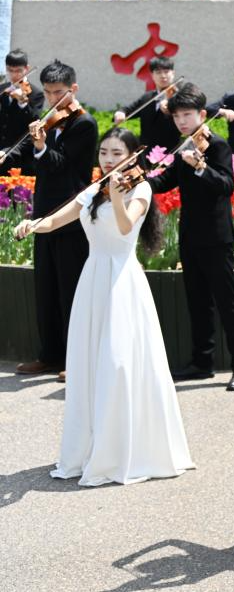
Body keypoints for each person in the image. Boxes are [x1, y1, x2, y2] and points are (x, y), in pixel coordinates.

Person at [16, 129, 193, 486]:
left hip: (122, 281)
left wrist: (115, 196)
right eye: (104, 153)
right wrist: (32, 225)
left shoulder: (141, 189)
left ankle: (125, 450)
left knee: (119, 362)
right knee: (91, 361)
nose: (109, 160)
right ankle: (92, 447)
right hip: (94, 277)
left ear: (132, 155)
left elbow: (126, 227)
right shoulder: (93, 190)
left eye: (116, 153)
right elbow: (57, 219)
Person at [149, 83, 234, 391]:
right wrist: (141, 182)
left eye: (187, 115)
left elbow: (226, 185)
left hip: (217, 238)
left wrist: (201, 167)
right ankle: (202, 362)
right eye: (176, 116)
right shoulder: (184, 146)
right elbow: (167, 180)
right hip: (190, 235)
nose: (181, 121)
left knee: (227, 302)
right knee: (197, 302)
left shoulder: (217, 145)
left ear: (202, 115)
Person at [8, 60, 97, 381]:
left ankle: (75, 358)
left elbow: (64, 167)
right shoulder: (48, 118)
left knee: (69, 288)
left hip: (70, 213)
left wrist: (42, 146)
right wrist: (7, 154)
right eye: (47, 92)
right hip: (44, 210)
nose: (52, 99)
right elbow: (31, 155)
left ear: (73, 89)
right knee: (45, 287)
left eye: (58, 93)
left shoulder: (84, 123)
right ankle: (49, 355)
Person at [113, 55, 182, 153]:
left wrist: (171, 109)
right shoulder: (147, 97)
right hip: (146, 153)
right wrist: (120, 112)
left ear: (173, 73)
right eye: (158, 72)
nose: (163, 76)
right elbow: (129, 109)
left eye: (166, 72)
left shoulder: (180, 97)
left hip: (171, 153)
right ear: (152, 75)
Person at [0, 48, 44, 175]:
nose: (14, 75)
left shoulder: (35, 94)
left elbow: (34, 124)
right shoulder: (2, 89)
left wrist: (23, 103)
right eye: (10, 70)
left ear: (27, 68)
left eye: (19, 71)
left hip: (20, 158)